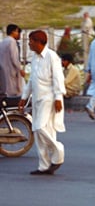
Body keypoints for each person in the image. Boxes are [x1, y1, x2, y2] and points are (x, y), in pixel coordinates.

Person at [19, 29, 65, 175]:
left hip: (49, 98)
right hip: (37, 98)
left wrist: (58, 98)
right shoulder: (35, 58)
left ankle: (59, 151)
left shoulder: (52, 57)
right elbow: (32, 80)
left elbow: (58, 78)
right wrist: (24, 97)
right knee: (39, 133)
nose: (29, 44)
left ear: (39, 42)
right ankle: (44, 165)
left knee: (39, 127)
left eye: (31, 41)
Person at [0, 23, 25, 96]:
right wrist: (20, 69)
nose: (18, 34)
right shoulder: (12, 42)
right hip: (11, 71)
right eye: (17, 31)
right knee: (15, 90)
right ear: (13, 32)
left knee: (5, 89)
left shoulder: (3, 42)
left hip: (3, 70)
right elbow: (14, 58)